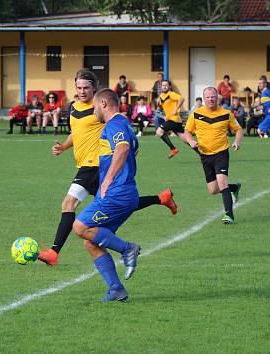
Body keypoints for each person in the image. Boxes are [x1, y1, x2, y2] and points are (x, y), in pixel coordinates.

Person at [37, 69, 177, 267]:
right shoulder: (74, 107)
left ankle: (54, 252)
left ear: (95, 88)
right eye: (78, 87)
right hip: (85, 165)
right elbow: (75, 133)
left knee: (68, 204)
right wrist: (64, 146)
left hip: (96, 166)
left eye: (86, 87)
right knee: (121, 202)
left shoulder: (100, 109)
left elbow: (119, 129)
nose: (82, 91)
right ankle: (161, 198)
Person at [72, 88, 143, 302]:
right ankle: (116, 289)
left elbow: (122, 149)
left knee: (80, 227)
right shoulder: (125, 125)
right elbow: (132, 149)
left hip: (117, 192)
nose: (93, 111)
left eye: (94, 106)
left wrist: (110, 178)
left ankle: (127, 249)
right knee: (91, 241)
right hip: (125, 193)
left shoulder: (115, 123)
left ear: (103, 104)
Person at [182, 86, 243, 225]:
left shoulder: (226, 113)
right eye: (208, 97)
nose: (211, 99)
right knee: (213, 189)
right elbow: (187, 131)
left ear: (218, 98)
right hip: (205, 155)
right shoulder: (196, 114)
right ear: (204, 99)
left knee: (222, 182)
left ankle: (229, 215)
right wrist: (191, 141)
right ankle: (234, 188)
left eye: (213, 97)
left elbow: (238, 129)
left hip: (221, 153)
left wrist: (237, 142)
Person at [155, 80, 185, 159]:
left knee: (159, 131)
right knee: (187, 140)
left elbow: (181, 98)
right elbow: (162, 108)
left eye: (166, 85)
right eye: (163, 85)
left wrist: (176, 108)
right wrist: (158, 104)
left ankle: (173, 149)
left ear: (169, 87)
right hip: (174, 121)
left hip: (174, 119)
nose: (164, 87)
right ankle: (202, 153)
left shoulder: (171, 94)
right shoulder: (161, 96)